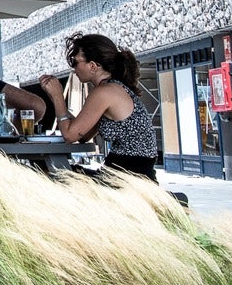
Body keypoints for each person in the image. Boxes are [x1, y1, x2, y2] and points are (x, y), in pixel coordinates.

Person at [39, 32, 158, 181]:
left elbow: (70, 135)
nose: (73, 68)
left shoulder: (104, 92)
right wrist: (55, 97)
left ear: (93, 66)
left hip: (127, 179)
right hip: (128, 174)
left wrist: (57, 96)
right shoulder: (113, 88)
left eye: (75, 62)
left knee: (49, 174)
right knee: (57, 172)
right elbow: (84, 135)